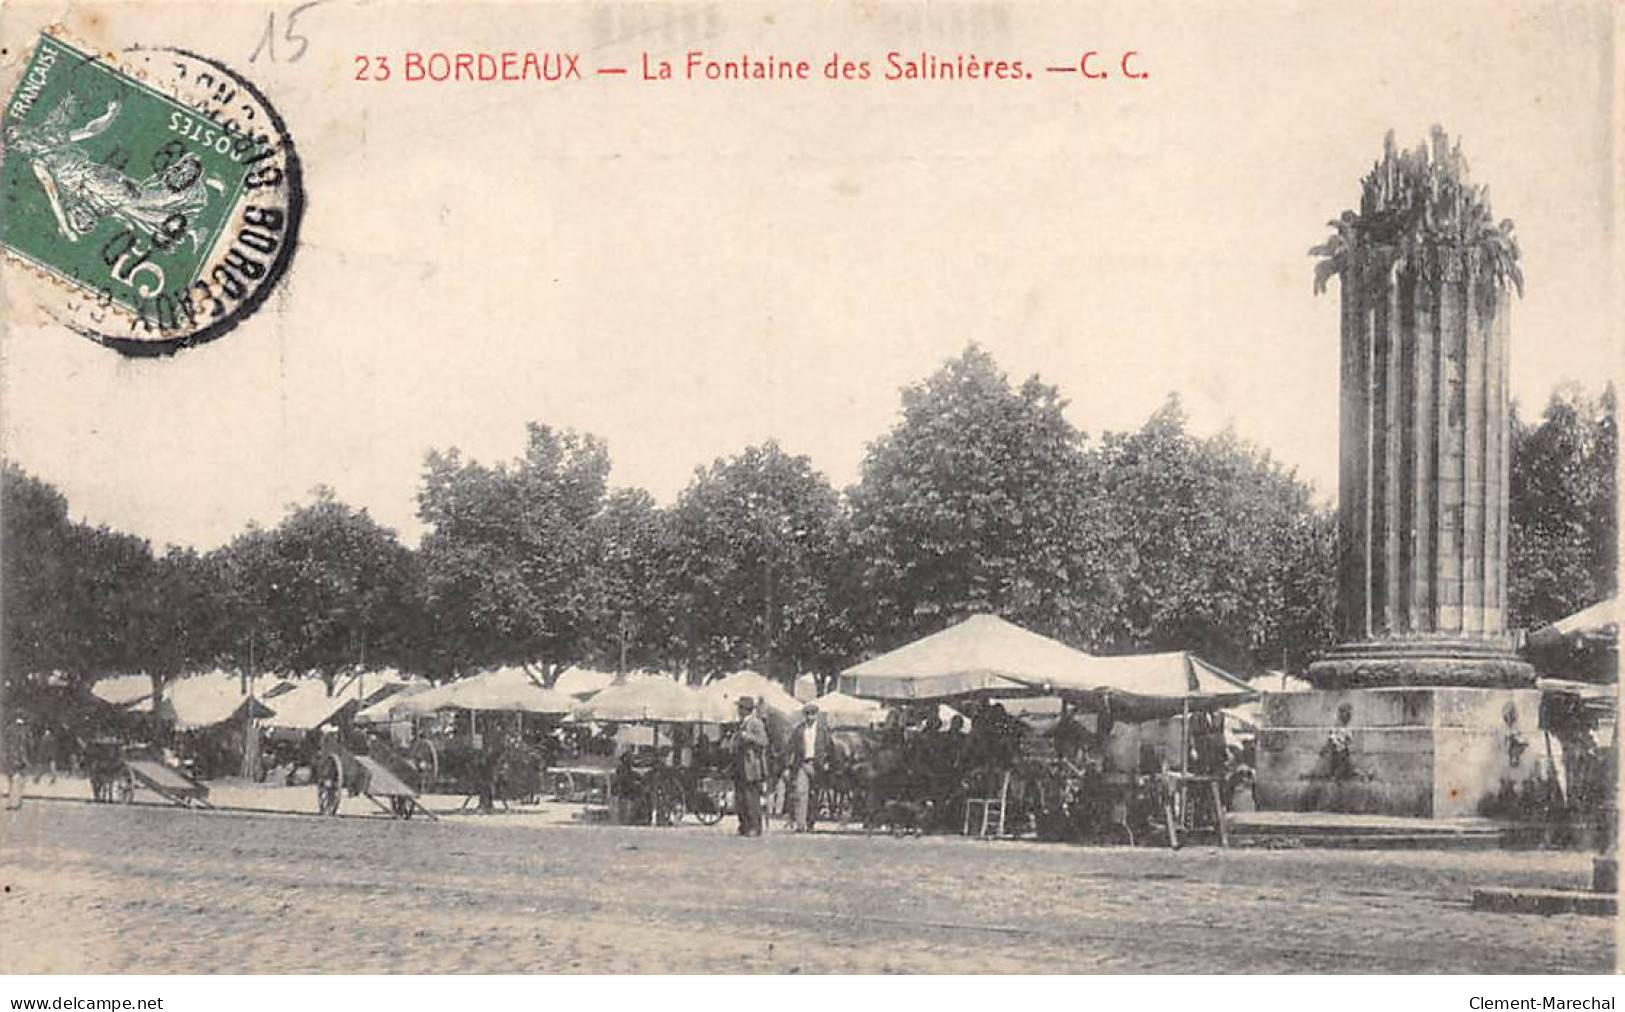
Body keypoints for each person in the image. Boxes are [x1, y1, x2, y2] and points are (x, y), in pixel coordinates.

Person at [786, 703, 834, 832]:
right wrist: (790, 765)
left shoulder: (823, 730)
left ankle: (810, 822)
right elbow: (791, 747)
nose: (810, 717)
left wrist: (828, 762)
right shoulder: (799, 730)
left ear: (816, 715)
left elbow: (830, 748)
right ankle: (800, 824)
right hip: (802, 764)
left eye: (812, 714)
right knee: (801, 793)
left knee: (814, 796)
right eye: (807, 715)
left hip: (818, 765)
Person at [731, 697, 768, 837]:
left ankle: (754, 826)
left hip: (752, 766)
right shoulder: (741, 723)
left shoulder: (756, 723)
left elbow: (764, 741)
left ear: (745, 709)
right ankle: (744, 825)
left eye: (740, 708)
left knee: (751, 797)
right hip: (740, 764)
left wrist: (748, 737)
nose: (738, 710)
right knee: (740, 797)